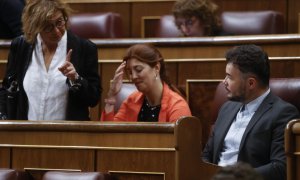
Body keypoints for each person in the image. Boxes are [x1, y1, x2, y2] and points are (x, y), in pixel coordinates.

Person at [202, 44, 299, 180]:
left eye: (230, 77)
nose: (224, 82)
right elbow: (207, 155)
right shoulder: (226, 108)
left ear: (251, 83)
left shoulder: (283, 114)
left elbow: (280, 167)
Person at [0, 0, 101, 120]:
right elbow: (6, 88)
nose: (57, 31)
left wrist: (76, 79)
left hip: (69, 135)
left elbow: (93, 98)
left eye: (59, 22)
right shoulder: (21, 46)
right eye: (48, 27)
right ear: (35, 27)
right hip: (26, 134)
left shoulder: (84, 48)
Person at [101, 44, 191, 122]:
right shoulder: (131, 101)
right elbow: (109, 135)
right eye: (130, 72)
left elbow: (179, 141)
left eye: (138, 70)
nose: (133, 77)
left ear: (156, 68)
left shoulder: (177, 106)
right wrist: (111, 95)